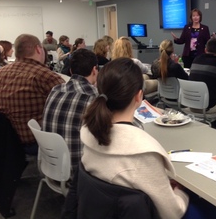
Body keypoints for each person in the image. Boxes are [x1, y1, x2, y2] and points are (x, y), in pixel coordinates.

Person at [80, 57, 188, 218]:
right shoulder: (144, 151)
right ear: (139, 97)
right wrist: (181, 192)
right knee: (210, 206)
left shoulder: (89, 133)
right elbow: (173, 213)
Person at [0, 34, 65, 155]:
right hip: (34, 143)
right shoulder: (47, 77)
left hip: (5, 141)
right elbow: (67, 110)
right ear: (38, 49)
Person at [42, 48, 99, 171]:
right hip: (78, 173)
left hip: (51, 166)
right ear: (95, 70)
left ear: (71, 70)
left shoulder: (55, 90)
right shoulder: (94, 97)